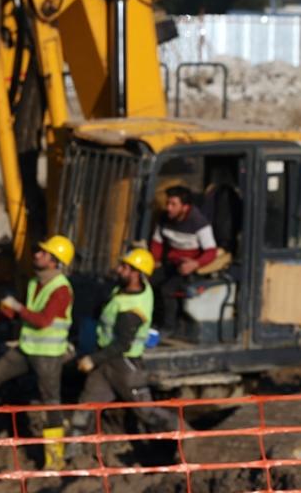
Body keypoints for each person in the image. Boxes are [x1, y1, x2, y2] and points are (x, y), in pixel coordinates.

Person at [0, 234, 75, 470]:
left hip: (48, 356)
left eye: (44, 253)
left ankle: (55, 459)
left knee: (51, 405)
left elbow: (44, 320)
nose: (37, 254)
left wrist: (16, 306)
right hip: (27, 348)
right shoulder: (35, 283)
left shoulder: (61, 290)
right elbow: (22, 313)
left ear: (54, 261)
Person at [71, 248, 176, 437]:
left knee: (146, 411)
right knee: (85, 409)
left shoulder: (133, 309)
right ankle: (73, 452)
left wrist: (92, 360)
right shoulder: (128, 288)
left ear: (137, 274)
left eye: (125, 268)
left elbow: (123, 344)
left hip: (125, 365)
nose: (119, 270)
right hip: (106, 360)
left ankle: (183, 436)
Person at [148, 186, 218, 334]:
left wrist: (195, 263)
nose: (168, 208)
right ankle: (152, 320)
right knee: (148, 281)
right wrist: (154, 261)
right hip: (170, 263)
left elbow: (211, 251)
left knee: (167, 289)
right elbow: (157, 243)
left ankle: (169, 327)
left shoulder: (199, 223)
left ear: (185, 207)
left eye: (173, 204)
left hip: (189, 267)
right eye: (168, 203)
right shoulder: (163, 219)